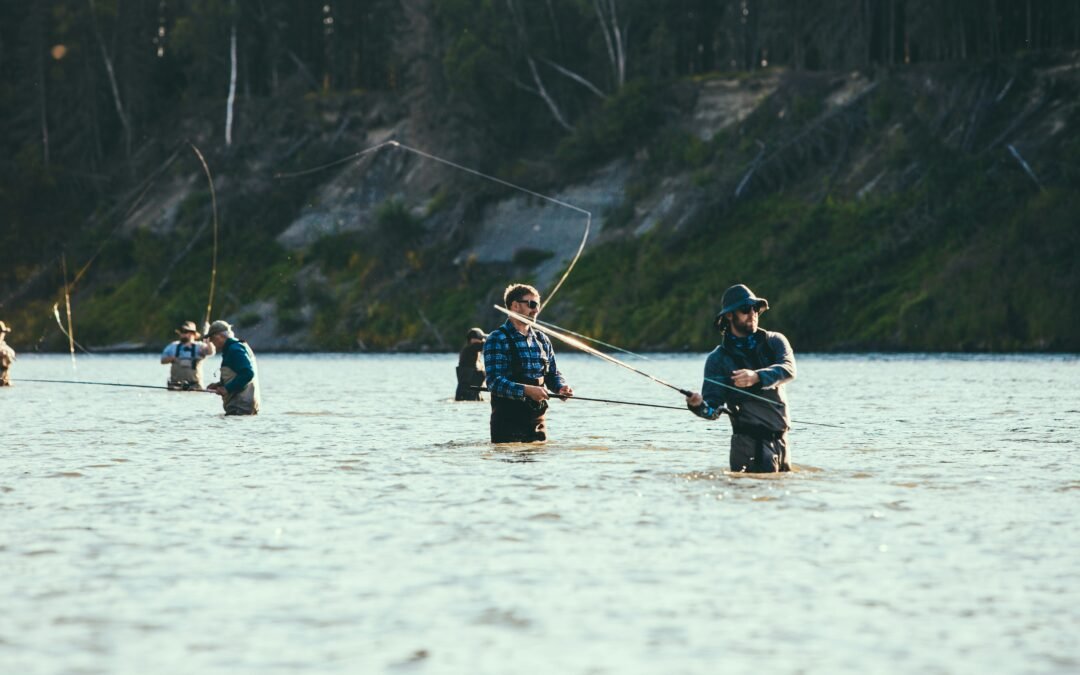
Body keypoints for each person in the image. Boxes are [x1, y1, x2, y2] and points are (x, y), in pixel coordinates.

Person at [685, 284, 796, 473]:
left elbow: (788, 370)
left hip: (782, 443)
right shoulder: (717, 360)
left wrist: (757, 377)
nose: (752, 313)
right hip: (748, 446)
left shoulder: (775, 341)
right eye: (745, 309)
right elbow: (712, 411)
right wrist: (697, 405)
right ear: (729, 315)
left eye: (755, 308)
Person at [483, 283, 573, 443]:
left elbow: (553, 373)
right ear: (515, 306)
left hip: (538, 424)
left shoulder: (542, 339)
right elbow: (494, 382)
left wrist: (560, 387)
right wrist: (526, 390)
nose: (536, 310)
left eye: (537, 305)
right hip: (507, 425)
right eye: (531, 304)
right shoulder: (497, 338)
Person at [204, 320, 260, 415]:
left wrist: (227, 389)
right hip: (244, 407)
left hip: (240, 407)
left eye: (211, 338)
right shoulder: (236, 346)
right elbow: (237, 374)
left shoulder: (234, 350)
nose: (211, 342)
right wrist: (220, 385)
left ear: (220, 336)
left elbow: (248, 373)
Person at [160, 320, 215, 390]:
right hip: (175, 386)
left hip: (194, 387)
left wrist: (208, 336)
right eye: (181, 331)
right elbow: (162, 360)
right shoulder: (173, 346)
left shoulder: (200, 346)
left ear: (193, 334)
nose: (182, 334)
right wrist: (172, 358)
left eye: (185, 331)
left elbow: (210, 352)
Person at [455, 327, 487, 401]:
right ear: (473, 339)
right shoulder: (471, 348)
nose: (482, 340)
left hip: (468, 390)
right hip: (468, 391)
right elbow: (486, 345)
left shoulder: (469, 349)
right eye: (481, 338)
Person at [0, 321, 15, 387]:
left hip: (4, 381)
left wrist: (5, 354)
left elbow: (12, 353)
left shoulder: (6, 348)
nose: (1, 335)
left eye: (2, 333)